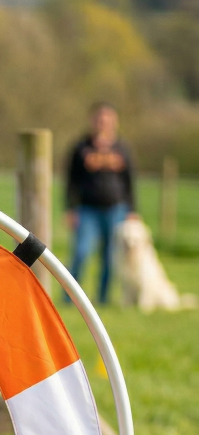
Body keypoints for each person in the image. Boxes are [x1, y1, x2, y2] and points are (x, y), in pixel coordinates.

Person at [66, 102, 136, 304]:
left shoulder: (122, 148)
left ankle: (103, 299)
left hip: (116, 209)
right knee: (81, 253)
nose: (103, 123)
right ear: (92, 121)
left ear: (114, 122)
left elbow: (130, 180)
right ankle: (70, 298)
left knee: (109, 258)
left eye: (107, 119)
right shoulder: (81, 148)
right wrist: (70, 208)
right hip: (87, 210)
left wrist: (132, 209)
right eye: (99, 119)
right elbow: (71, 181)